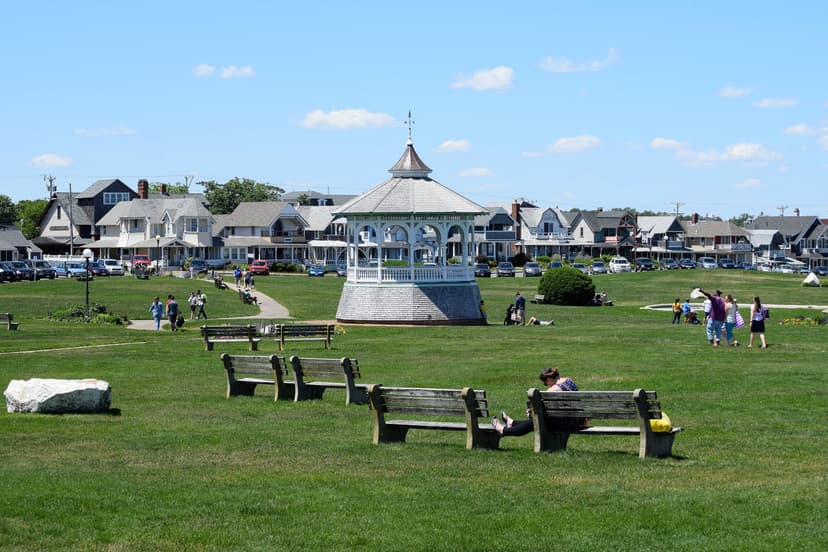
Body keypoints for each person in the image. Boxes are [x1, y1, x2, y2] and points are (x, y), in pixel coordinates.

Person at [491, 367, 580, 436]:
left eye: (545, 383)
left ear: (549, 379)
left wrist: (531, 412)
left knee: (536, 422)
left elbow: (539, 408)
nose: (546, 385)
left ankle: (503, 431)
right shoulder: (568, 380)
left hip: (566, 423)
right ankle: (512, 423)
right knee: (537, 421)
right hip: (577, 420)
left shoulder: (553, 390)